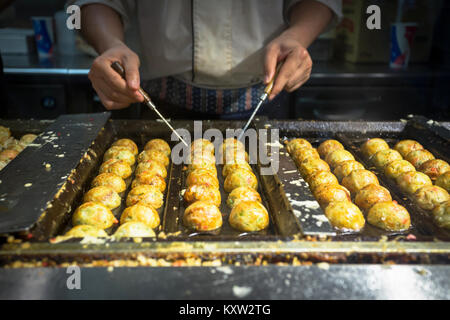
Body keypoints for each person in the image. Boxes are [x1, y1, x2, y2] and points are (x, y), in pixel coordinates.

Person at [73, 0, 341, 119]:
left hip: (263, 99)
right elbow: (86, 3)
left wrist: (299, 36)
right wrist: (110, 44)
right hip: (158, 104)